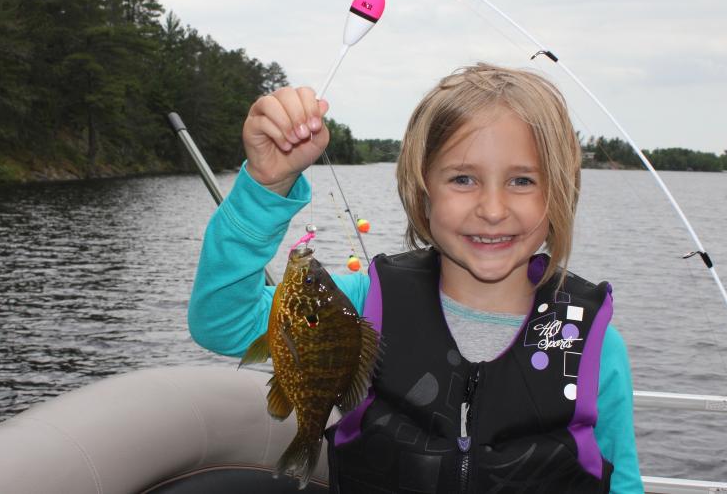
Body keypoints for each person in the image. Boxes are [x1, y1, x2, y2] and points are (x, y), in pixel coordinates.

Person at [188, 63, 643, 493]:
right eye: (463, 179)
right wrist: (266, 188)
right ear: (421, 189)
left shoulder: (596, 346)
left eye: (522, 181)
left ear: (560, 191)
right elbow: (223, 321)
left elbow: (618, 480)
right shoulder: (360, 307)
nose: (492, 209)